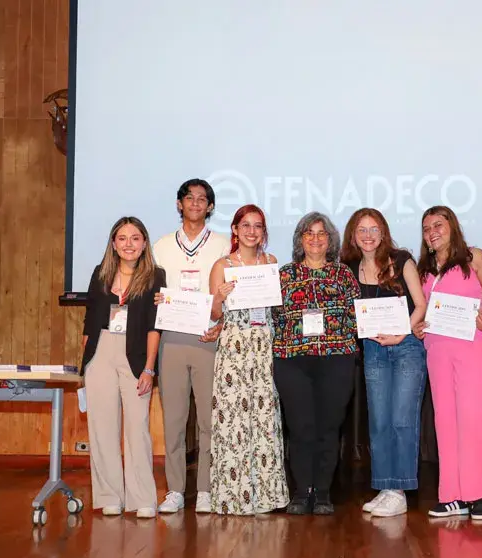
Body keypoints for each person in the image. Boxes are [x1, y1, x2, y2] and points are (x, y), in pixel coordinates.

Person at [412, 206, 482, 520]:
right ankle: (452, 495)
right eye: (426, 228)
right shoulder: (424, 268)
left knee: (473, 418)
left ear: (453, 226)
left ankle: (479, 493)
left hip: (472, 346)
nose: (432, 232)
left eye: (439, 224)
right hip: (436, 349)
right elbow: (422, 310)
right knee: (445, 421)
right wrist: (417, 327)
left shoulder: (474, 257)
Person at [340, 208, 428, 518]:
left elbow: (421, 305)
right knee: (378, 421)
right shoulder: (348, 268)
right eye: (361, 229)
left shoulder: (401, 260)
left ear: (383, 232)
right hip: (373, 350)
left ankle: (400, 490)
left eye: (373, 229)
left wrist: (401, 331)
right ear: (353, 235)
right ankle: (385, 485)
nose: (367, 235)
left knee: (401, 420)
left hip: (406, 347)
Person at [272, 212, 360, 515]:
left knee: (328, 427)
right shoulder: (283, 274)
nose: (315, 238)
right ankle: (301, 491)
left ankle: (322, 492)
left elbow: (356, 317)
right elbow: (272, 317)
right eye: (309, 233)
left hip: (336, 360)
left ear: (330, 240)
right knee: (300, 428)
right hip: (292, 361)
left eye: (322, 233)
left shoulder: (343, 275)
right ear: (300, 239)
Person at [204, 204, 290, 515]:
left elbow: (277, 309)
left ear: (263, 232)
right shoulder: (221, 265)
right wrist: (219, 298)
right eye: (246, 225)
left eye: (258, 226)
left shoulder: (272, 262)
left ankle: (267, 496)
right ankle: (235, 497)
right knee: (234, 421)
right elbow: (214, 314)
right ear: (236, 231)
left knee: (264, 419)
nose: (251, 231)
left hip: (263, 346)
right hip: (234, 349)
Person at [152, 179, 231, 514]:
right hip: (170, 337)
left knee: (209, 419)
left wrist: (222, 325)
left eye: (203, 199)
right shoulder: (161, 245)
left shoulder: (225, 244)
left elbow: (233, 294)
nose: (196, 203)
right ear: (179, 204)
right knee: (173, 418)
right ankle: (174, 491)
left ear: (210, 207)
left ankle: (206, 489)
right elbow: (149, 288)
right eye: (190, 198)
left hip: (209, 338)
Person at [81, 216, 166, 518]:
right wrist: (86, 365)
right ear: (113, 244)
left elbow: (156, 326)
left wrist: (149, 368)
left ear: (144, 243)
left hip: (136, 356)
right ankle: (109, 496)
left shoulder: (156, 276)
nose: (128, 244)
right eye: (122, 238)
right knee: (102, 428)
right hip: (101, 351)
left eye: (135, 238)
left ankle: (143, 498)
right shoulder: (100, 273)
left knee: (137, 428)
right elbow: (90, 323)